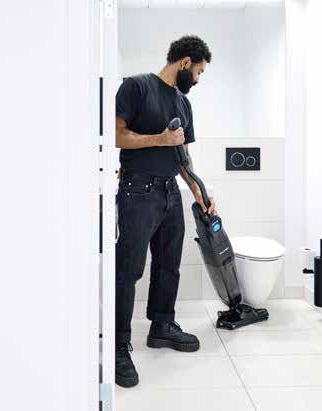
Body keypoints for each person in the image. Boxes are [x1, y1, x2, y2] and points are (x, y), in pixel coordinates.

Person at [114, 35, 216, 388]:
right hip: (137, 191)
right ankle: (119, 346)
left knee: (169, 264)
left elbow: (182, 154)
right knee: (128, 270)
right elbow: (116, 136)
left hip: (170, 191)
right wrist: (159, 138)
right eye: (198, 72)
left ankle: (161, 325)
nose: (198, 80)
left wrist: (199, 191)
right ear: (185, 63)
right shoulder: (136, 87)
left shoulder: (183, 103)